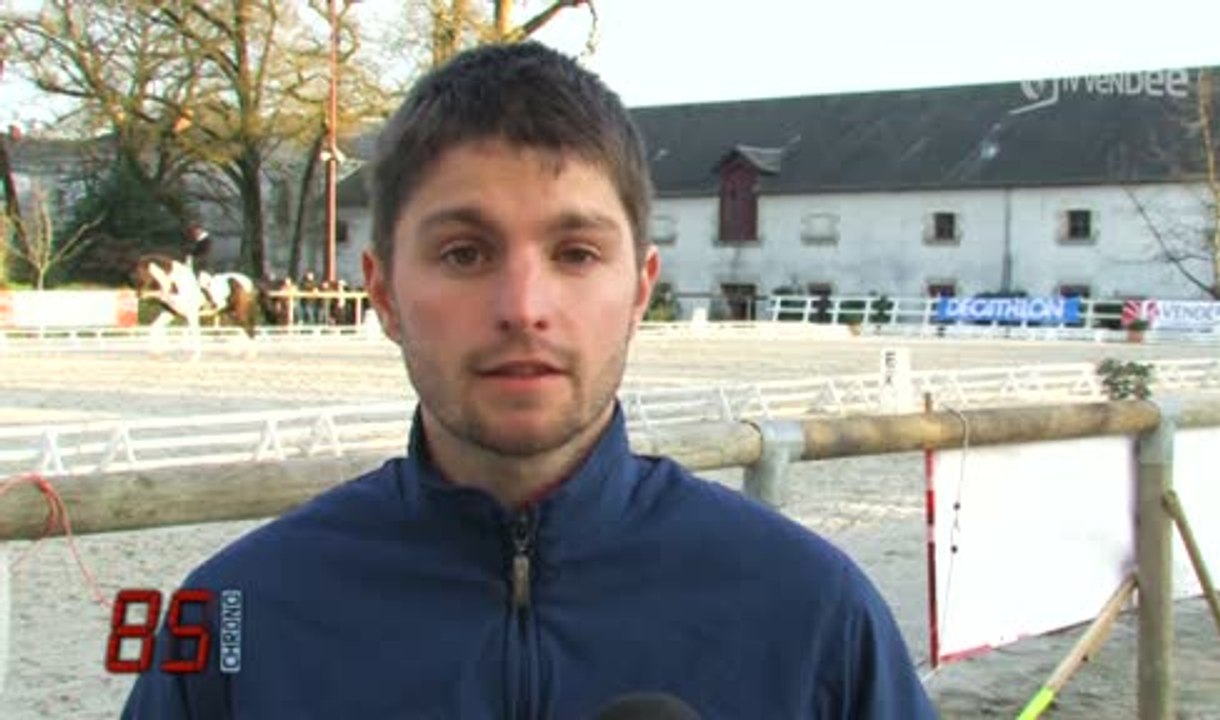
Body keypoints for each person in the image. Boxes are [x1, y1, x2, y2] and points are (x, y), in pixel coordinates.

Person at [121, 42, 937, 719]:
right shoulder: (234, 620)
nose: (522, 307)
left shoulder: (813, 614)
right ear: (384, 295)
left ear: (640, 291)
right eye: (464, 254)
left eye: (576, 253)